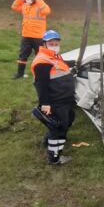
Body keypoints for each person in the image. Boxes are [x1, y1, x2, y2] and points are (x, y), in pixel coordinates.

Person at [32, 30, 75, 165]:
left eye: (56, 43)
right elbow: (41, 85)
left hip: (65, 98)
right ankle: (54, 158)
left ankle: (48, 140)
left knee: (68, 120)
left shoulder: (53, 56)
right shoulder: (42, 62)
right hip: (57, 100)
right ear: (44, 44)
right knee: (60, 128)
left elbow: (59, 68)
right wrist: (45, 104)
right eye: (51, 43)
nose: (55, 45)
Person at [11, 0, 51, 79]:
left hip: (38, 37)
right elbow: (14, 7)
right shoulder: (25, 5)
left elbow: (47, 11)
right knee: (22, 55)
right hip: (26, 36)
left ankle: (40, 75)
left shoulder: (41, 5)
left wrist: (38, 0)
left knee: (40, 57)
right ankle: (20, 74)